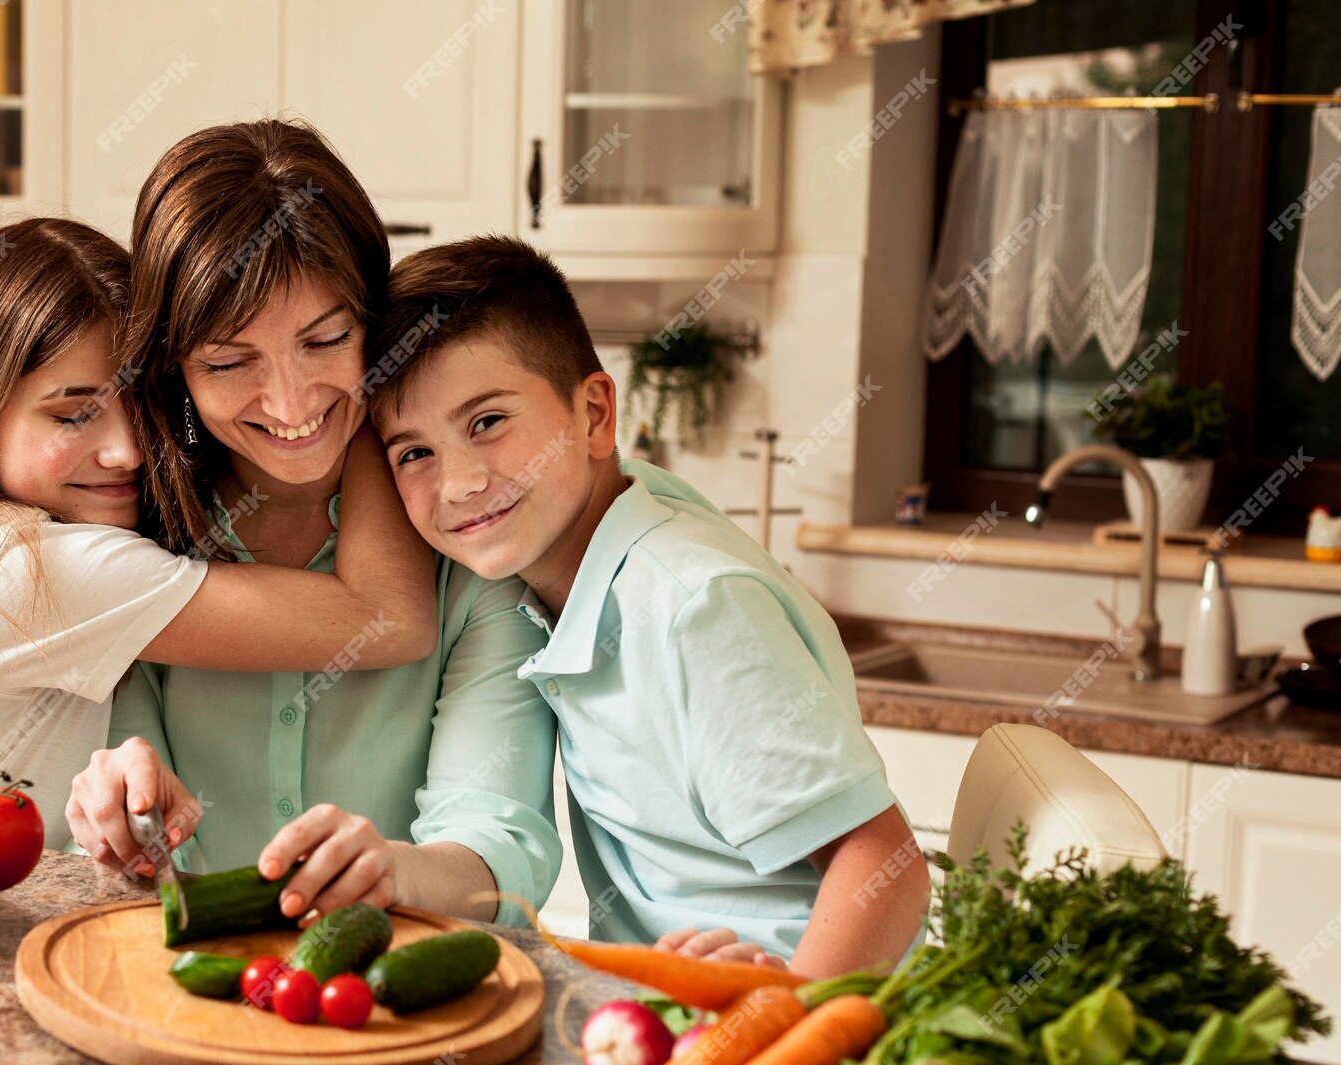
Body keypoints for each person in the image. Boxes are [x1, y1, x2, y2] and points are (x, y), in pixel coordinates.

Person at [364, 234, 929, 977]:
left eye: (488, 422)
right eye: (413, 453)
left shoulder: (691, 610)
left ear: (595, 414)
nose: (461, 481)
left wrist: (788, 1014)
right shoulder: (596, 540)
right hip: (677, 1002)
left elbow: (885, 862)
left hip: (792, 1023)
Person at [0, 217, 438, 846]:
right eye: (74, 414)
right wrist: (350, 406)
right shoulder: (25, 568)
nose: (128, 451)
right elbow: (386, 618)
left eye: (140, 405)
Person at [66, 121, 560, 924]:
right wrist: (109, 794)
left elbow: (503, 849)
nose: (291, 404)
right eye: (229, 363)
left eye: (326, 339)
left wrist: (398, 870)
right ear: (175, 369)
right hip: (176, 996)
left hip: (394, 1008)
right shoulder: (132, 534)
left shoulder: (469, 537)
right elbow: (110, 801)